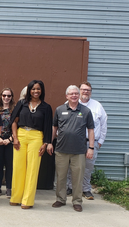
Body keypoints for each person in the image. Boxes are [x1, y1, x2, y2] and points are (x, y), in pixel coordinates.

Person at [48, 85, 95, 213]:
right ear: (66, 96)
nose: (74, 95)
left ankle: (77, 201)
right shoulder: (59, 109)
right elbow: (54, 128)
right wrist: (49, 142)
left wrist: (91, 147)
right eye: (71, 94)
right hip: (61, 149)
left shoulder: (85, 111)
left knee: (77, 178)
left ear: (79, 95)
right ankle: (60, 199)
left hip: (79, 151)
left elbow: (91, 130)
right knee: (61, 177)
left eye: (76, 93)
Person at [9, 80, 53, 209]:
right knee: (18, 167)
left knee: (32, 169)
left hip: (36, 137)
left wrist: (46, 143)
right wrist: (15, 138)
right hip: (21, 135)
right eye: (33, 89)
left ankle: (27, 200)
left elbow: (47, 127)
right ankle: (15, 197)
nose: (36, 91)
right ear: (29, 90)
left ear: (42, 91)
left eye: (38, 89)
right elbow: (13, 121)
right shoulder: (21, 103)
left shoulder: (46, 107)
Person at [66, 81, 108, 200]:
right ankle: (70, 187)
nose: (85, 92)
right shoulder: (69, 103)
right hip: (73, 141)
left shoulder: (97, 106)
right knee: (71, 166)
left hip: (91, 142)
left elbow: (104, 124)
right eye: (83, 89)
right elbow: (62, 122)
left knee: (88, 166)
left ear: (90, 92)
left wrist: (100, 142)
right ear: (79, 91)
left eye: (88, 90)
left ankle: (86, 189)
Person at [0, 88, 15, 198]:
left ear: (11, 97)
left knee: (9, 166)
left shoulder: (15, 110)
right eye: (4, 95)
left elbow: (18, 126)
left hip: (10, 141)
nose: (6, 98)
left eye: (9, 96)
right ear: (1, 96)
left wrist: (10, 139)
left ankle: (9, 188)